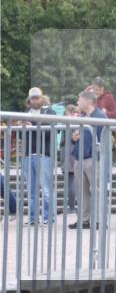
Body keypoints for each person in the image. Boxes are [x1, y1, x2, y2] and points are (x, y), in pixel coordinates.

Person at [68, 91, 108, 230]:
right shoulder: (82, 116)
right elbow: (76, 136)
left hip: (94, 158)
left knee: (96, 189)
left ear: (87, 101)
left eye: (79, 100)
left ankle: (98, 220)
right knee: (82, 190)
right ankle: (84, 220)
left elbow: (105, 138)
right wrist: (74, 138)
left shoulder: (100, 116)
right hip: (80, 158)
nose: (77, 102)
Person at [22, 87, 56, 225]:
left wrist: (32, 125)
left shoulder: (49, 111)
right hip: (28, 154)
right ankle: (32, 218)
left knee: (47, 189)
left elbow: (49, 132)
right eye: (33, 98)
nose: (35, 100)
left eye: (37, 97)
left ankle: (49, 218)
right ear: (29, 100)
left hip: (44, 155)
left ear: (42, 98)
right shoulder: (25, 113)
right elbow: (21, 135)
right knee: (31, 191)